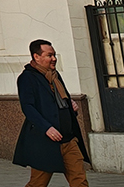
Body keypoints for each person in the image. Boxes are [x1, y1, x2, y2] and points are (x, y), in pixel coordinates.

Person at [13, 40, 89, 187]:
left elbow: (59, 99)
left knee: (79, 180)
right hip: (46, 141)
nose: (54, 58)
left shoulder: (54, 75)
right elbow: (28, 107)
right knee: (38, 183)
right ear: (37, 57)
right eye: (49, 55)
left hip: (69, 139)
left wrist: (70, 105)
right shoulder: (27, 78)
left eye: (54, 55)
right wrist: (47, 128)